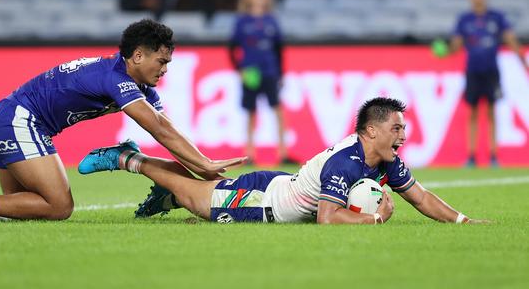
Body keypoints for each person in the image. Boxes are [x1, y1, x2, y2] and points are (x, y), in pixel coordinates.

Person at [0, 19, 245, 222]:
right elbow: (159, 129)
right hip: (18, 120)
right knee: (60, 207)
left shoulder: (133, 83)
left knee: (22, 208)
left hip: (16, 118)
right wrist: (204, 164)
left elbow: (169, 130)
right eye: (161, 62)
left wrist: (199, 167)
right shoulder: (116, 79)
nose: (165, 70)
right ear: (137, 55)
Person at [78, 97, 488, 225]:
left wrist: (463, 222)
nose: (403, 135)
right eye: (396, 129)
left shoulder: (385, 160)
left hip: (281, 186)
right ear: (372, 131)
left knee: (193, 195)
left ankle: (164, 197)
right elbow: (328, 218)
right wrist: (375, 218)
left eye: (403, 128)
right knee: (193, 196)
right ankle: (128, 158)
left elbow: (420, 196)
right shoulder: (346, 162)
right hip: (263, 201)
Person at [448, 0, 528, 168]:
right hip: (473, 71)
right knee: (473, 112)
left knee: (491, 112)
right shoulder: (464, 19)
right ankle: (472, 155)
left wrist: (523, 61)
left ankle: (493, 155)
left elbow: (510, 39)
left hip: (491, 71)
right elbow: (456, 45)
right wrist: (445, 49)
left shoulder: (496, 17)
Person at [228, 0, 295, 166]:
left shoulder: (271, 21)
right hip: (251, 72)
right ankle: (249, 153)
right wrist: (239, 70)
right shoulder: (242, 21)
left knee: (278, 110)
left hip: (270, 70)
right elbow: (232, 48)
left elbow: (278, 49)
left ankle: (283, 152)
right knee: (251, 112)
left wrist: (281, 73)